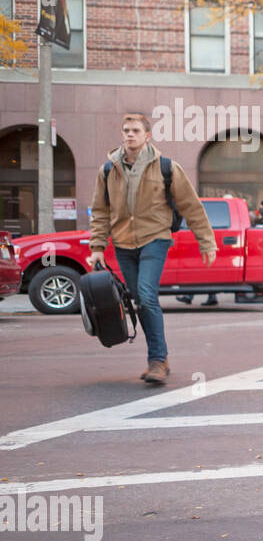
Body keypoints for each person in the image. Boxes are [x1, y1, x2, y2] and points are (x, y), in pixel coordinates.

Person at [88, 112, 217, 385]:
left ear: (147, 136)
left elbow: (191, 206)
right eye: (126, 130)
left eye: (135, 130)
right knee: (141, 302)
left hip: (155, 239)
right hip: (123, 244)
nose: (129, 134)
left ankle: (156, 361)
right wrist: (97, 246)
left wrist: (206, 241)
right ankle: (162, 357)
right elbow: (100, 211)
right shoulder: (108, 170)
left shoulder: (167, 167)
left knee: (146, 296)